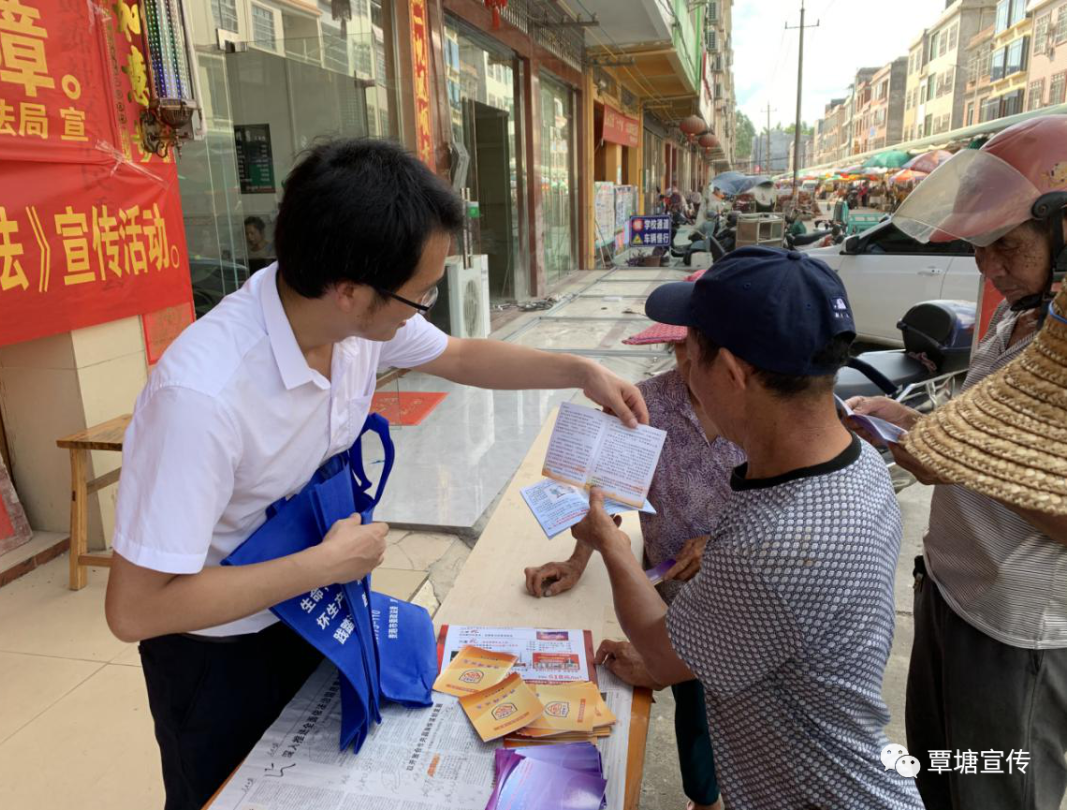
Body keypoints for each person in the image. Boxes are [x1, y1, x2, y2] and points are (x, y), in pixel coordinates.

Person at [105, 139, 648, 810]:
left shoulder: (356, 325)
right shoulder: (201, 398)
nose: (423, 311)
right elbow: (135, 609)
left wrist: (579, 370)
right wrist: (322, 566)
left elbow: (460, 356)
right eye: (420, 296)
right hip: (222, 654)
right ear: (349, 290)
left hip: (315, 612)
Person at [572, 246, 923, 810]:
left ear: (731, 371)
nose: (680, 371)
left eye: (692, 356)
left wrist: (609, 543)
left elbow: (664, 658)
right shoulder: (857, 462)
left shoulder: (773, 546)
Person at [852, 114, 1067, 810]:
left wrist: (953, 463)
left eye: (1006, 245)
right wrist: (916, 424)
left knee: (998, 796)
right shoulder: (1020, 317)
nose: (989, 268)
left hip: (1017, 633)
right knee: (940, 778)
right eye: (978, 247)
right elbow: (985, 436)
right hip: (952, 592)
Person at [525, 314, 744, 810]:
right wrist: (579, 561)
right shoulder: (646, 404)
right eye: (679, 350)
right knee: (693, 706)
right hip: (669, 596)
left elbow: (784, 503)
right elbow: (607, 496)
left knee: (740, 707)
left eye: (700, 349)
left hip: (745, 591)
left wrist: (715, 541)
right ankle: (703, 800)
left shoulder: (755, 409)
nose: (688, 364)